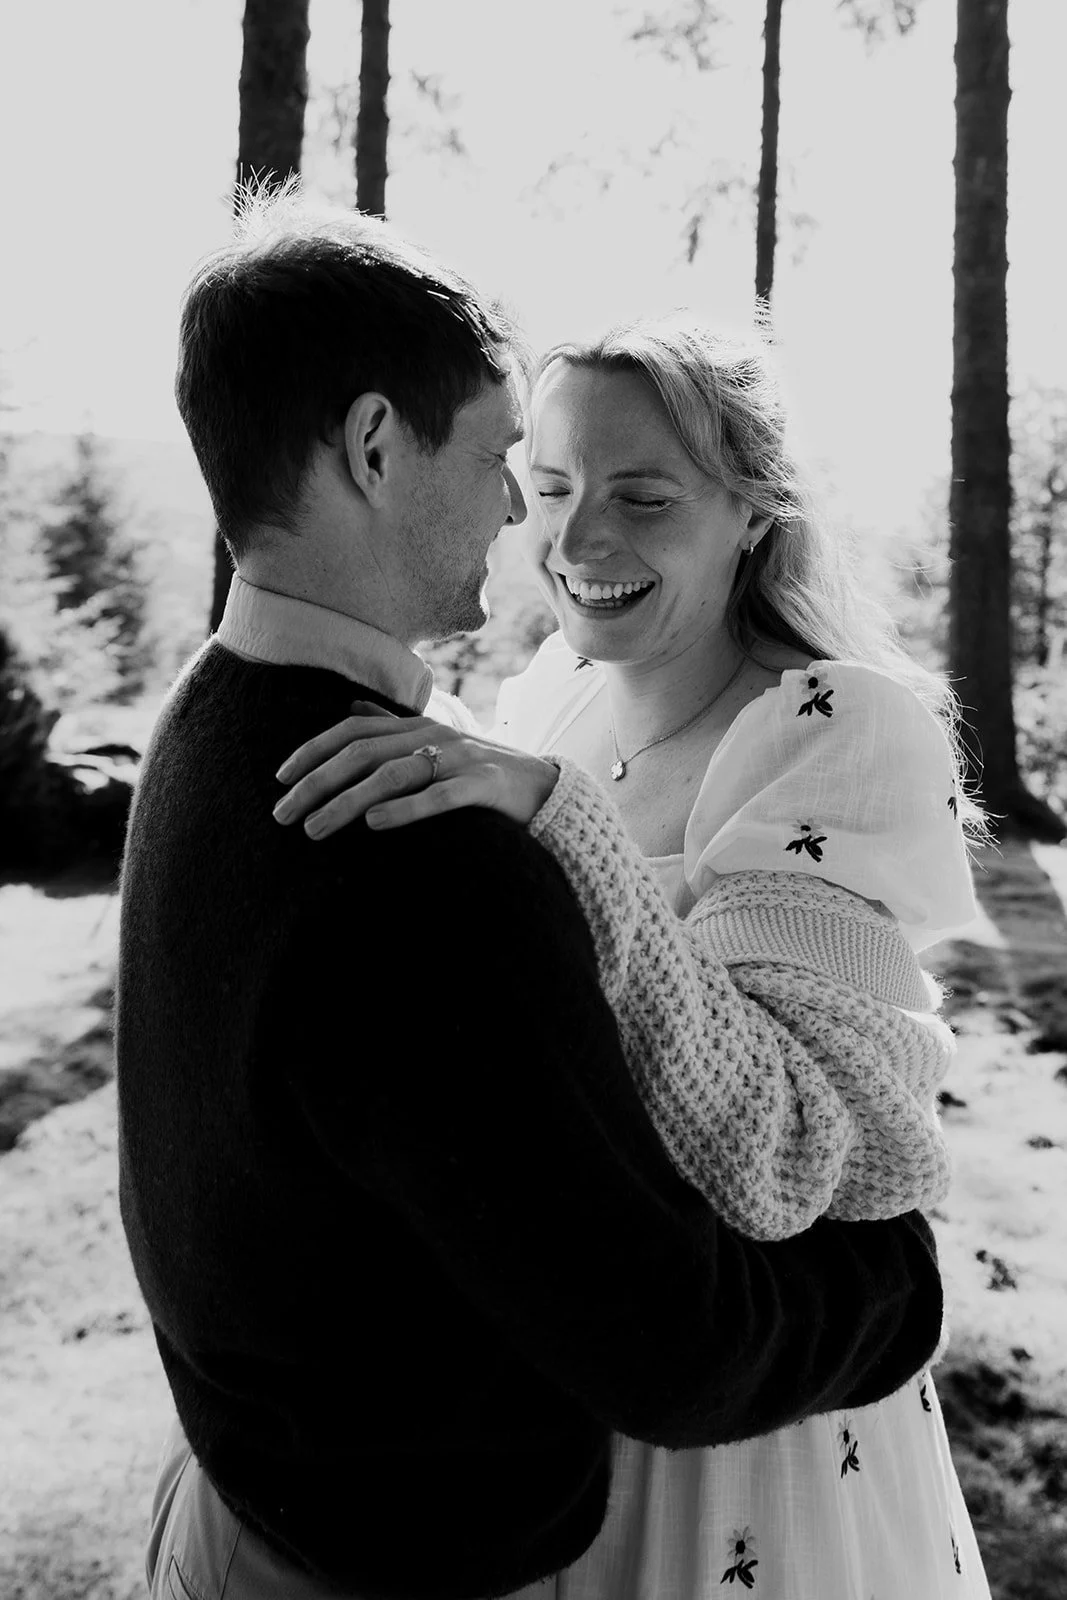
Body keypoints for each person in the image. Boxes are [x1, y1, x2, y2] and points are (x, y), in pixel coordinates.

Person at [117, 186, 945, 1600]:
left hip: (384, 1500)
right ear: (375, 446)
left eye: (638, 492)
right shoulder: (423, 834)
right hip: (427, 1530)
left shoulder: (212, 719)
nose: (531, 520)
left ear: (753, 516)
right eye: (525, 467)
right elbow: (670, 1339)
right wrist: (894, 1295)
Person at [272, 317, 993, 1597]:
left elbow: (790, 1150)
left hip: (750, 1429)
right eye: (548, 489)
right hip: (560, 1387)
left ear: (753, 513)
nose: (578, 542)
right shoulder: (551, 695)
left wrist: (562, 824)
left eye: (644, 498)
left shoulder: (831, 726)